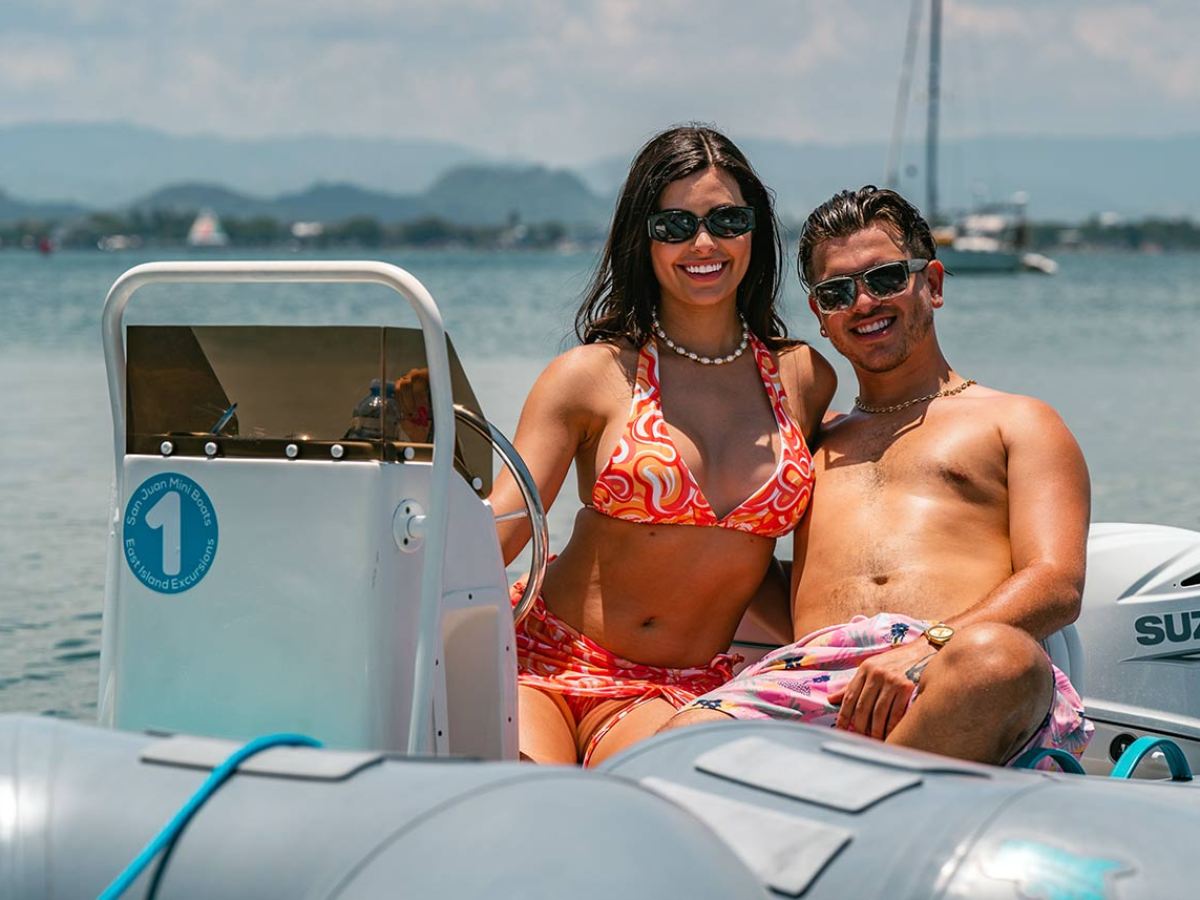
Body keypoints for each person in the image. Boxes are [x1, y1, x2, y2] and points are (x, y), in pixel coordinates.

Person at [666, 186, 1093, 767]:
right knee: (670, 741)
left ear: (933, 284)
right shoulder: (807, 444)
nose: (864, 302)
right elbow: (744, 568)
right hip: (808, 679)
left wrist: (926, 645)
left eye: (887, 278)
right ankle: (860, 805)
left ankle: (847, 801)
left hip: (951, 666)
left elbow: (1056, 584)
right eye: (838, 292)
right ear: (820, 316)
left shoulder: (1016, 422)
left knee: (1000, 659)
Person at [488, 125, 836, 766]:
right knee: (536, 806)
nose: (703, 243)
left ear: (755, 230)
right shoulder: (591, 375)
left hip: (672, 689)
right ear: (641, 240)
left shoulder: (804, 378)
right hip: (542, 657)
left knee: (643, 804)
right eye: (674, 226)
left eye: (726, 219)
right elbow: (504, 528)